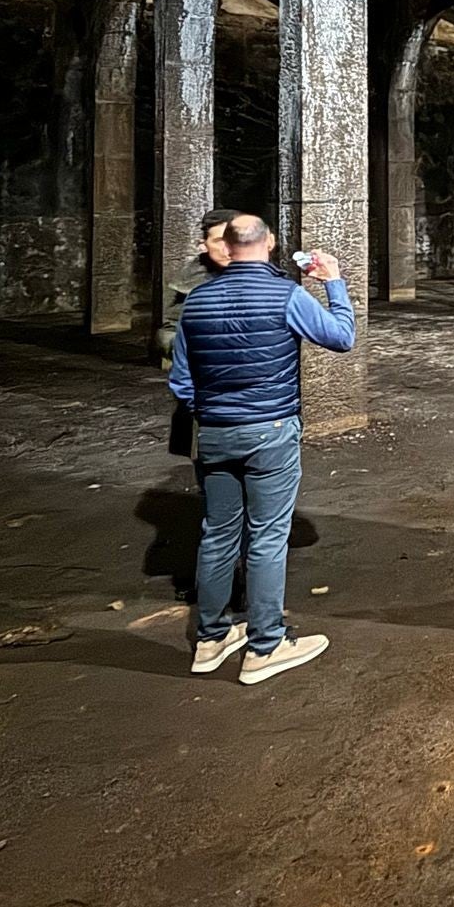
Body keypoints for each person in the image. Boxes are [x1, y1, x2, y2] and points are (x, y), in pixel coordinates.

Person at [167, 213, 354, 684]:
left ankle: (210, 639)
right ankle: (265, 645)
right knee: (268, 537)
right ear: (269, 243)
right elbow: (341, 337)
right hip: (270, 430)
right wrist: (333, 283)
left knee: (217, 533)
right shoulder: (286, 295)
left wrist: (212, 412)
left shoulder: (198, 300)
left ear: (227, 248)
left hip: (214, 432)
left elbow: (181, 380)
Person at [154, 207, 240, 370]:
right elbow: (169, 332)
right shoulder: (190, 282)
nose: (227, 248)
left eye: (235, 239)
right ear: (203, 245)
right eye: (220, 241)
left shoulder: (266, 277)